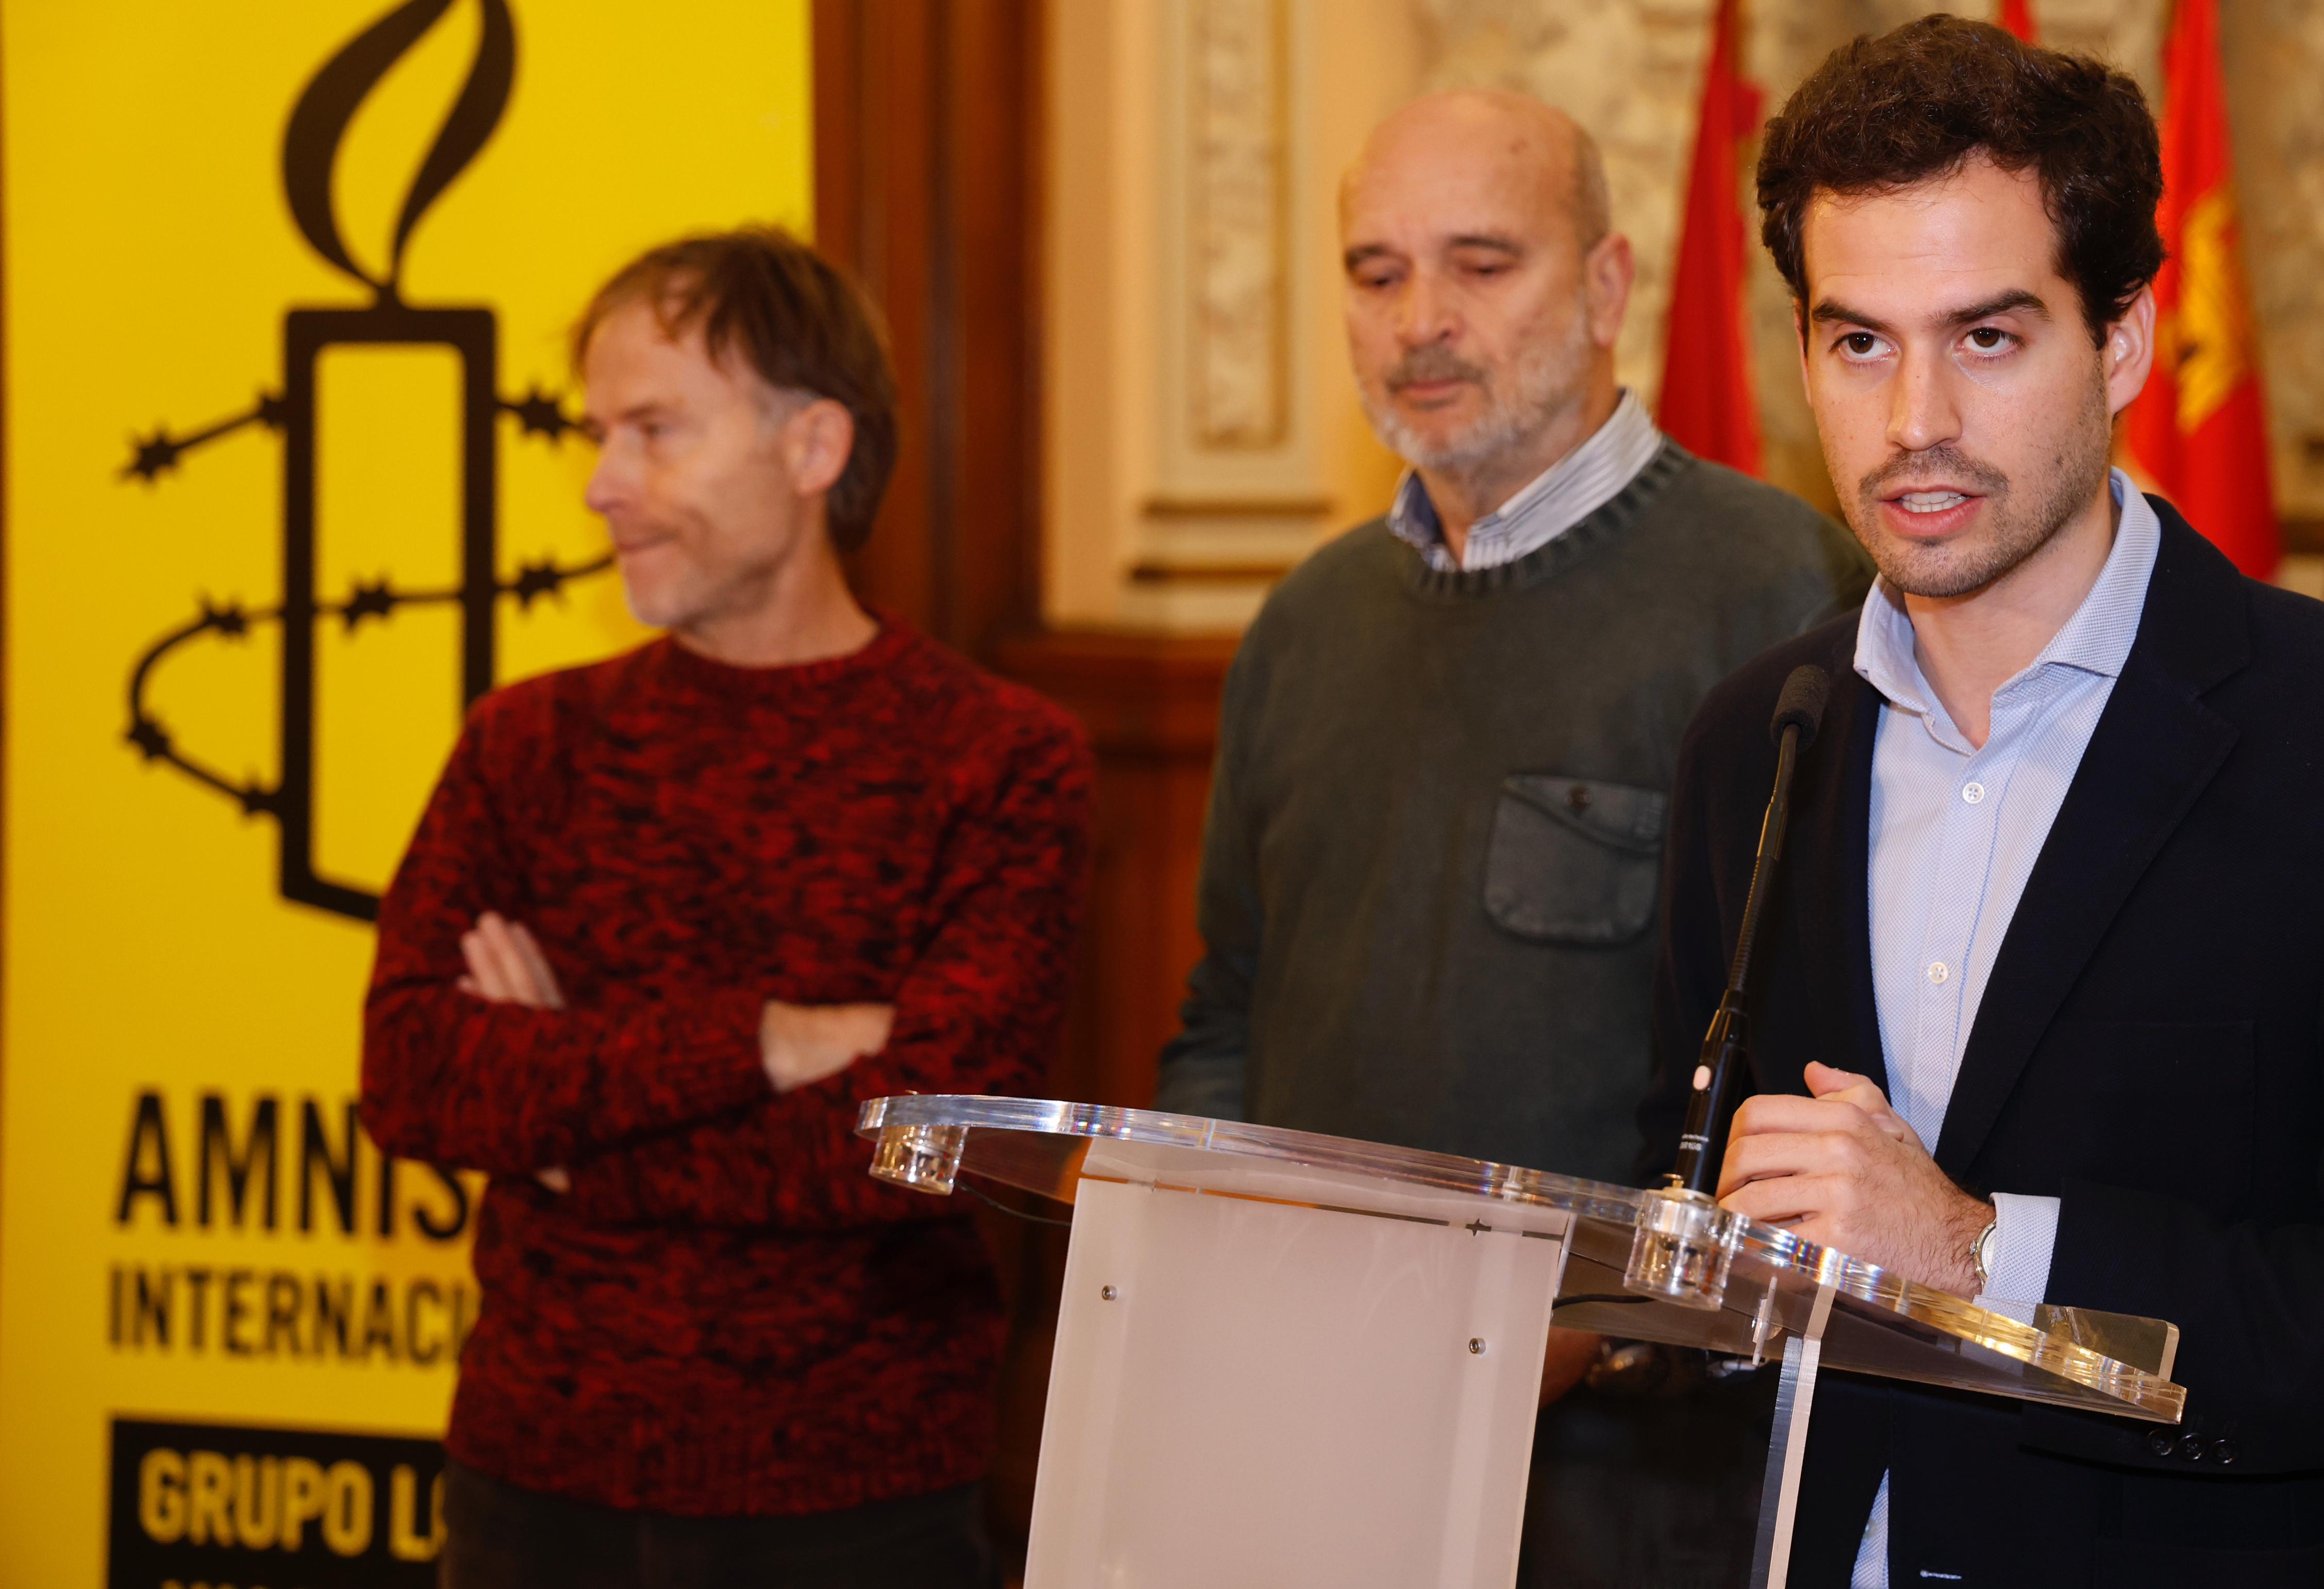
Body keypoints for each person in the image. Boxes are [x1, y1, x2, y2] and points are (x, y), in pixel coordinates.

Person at [1645, 16, 2324, 1586]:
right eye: (1860, 343)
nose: (1914, 422)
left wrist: (1981, 1254)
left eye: (1988, 337)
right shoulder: (1756, 741)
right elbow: (1704, 1206)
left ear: (2122, 343)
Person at [1154, 89, 1872, 1582]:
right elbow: (1229, 1010)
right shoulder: (1303, 625)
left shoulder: (1779, 594)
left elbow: (1815, 1078)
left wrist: (1596, 1338)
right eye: (1376, 272)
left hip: (1633, 1481)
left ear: (1607, 287)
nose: (1420, 318)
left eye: (1482, 264)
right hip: (1310, 1434)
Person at [360, 229, 1093, 1588]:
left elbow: (932, 1145)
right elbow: (411, 1078)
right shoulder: (526, 744)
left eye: (654, 431)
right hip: (531, 1490)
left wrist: (566, 1137)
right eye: (599, 434)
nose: (601, 484)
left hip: (862, 1508)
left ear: (814, 447)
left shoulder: (1000, 758)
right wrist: (766, 1041)